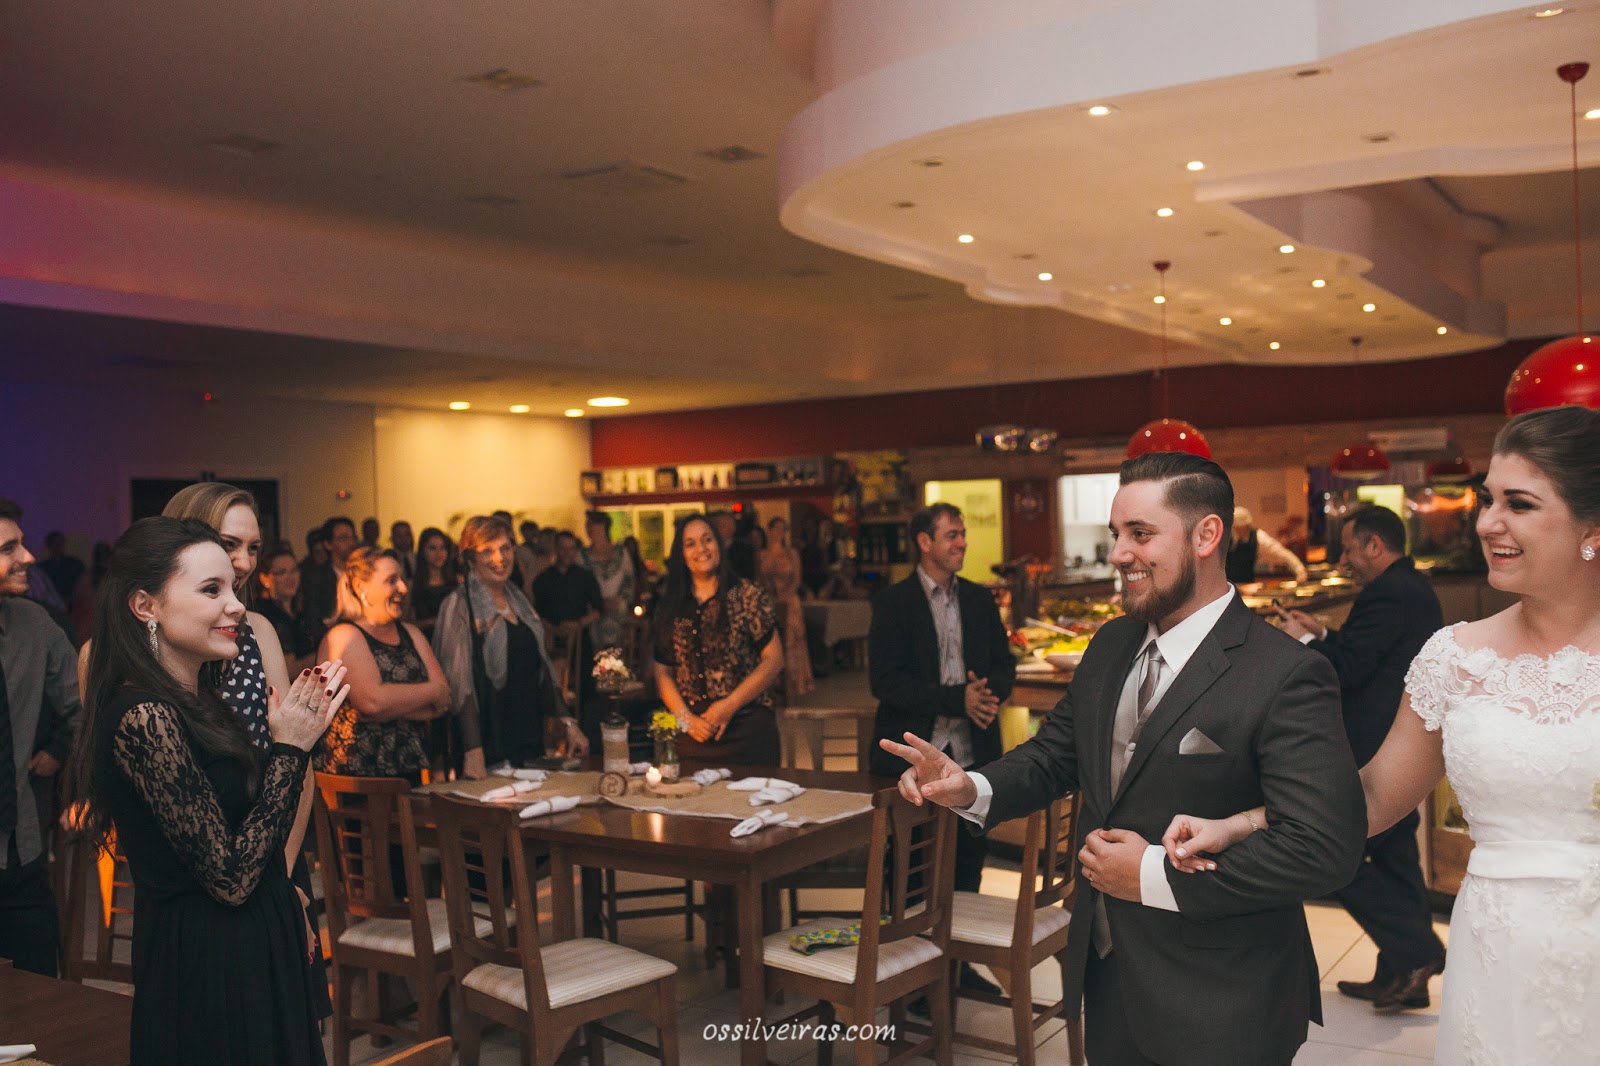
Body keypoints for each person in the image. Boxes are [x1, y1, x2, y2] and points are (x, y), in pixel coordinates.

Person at [882, 452, 1365, 1066]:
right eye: (1116, 534)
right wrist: (970, 786)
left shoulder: (1285, 672)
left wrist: (1152, 874)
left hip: (1223, 994)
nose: (1118, 554)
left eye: (1140, 534)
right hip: (1109, 972)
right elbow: (1057, 754)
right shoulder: (1112, 642)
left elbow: (1322, 848)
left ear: (1206, 536)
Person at [1164, 406, 1600, 1065]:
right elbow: (1368, 799)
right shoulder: (1454, 658)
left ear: (1592, 526)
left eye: (1519, 504)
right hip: (1500, 956)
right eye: (1487, 500)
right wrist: (1242, 823)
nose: (1487, 523)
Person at [70, 515, 347, 1065]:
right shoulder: (144, 716)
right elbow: (230, 878)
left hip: (252, 946)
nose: (236, 605)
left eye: (232, 589)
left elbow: (248, 832)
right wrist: (290, 749)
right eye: (211, 589)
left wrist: (285, 894)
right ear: (145, 606)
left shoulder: (202, 703)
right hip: (211, 964)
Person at [1273, 505, 1447, 1012]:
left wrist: (1302, 642)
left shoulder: (1389, 593)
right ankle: (1402, 972)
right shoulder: (1407, 588)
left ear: (1375, 545)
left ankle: (1418, 952)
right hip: (1398, 739)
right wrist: (1322, 633)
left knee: (1332, 853)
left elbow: (1348, 670)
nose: (1344, 560)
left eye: (1350, 549)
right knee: (1396, 860)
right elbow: (1365, 650)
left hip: (1376, 743)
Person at [868, 502, 1013, 1001]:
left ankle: (957, 966)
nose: (962, 542)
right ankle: (908, 980)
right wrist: (957, 699)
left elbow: (1004, 663)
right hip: (911, 759)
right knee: (909, 866)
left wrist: (990, 694)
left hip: (973, 753)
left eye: (963, 533)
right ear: (924, 542)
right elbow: (886, 682)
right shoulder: (893, 603)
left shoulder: (978, 598)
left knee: (968, 861)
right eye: (952, 534)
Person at [433, 515, 587, 778]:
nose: (500, 558)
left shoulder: (519, 601)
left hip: (528, 736)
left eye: (505, 548)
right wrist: (473, 750)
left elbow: (540, 667)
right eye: (487, 551)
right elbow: (460, 686)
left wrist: (569, 723)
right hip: (487, 744)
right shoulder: (459, 606)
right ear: (470, 558)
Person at [0, 497, 80, 976]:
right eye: (8, 548)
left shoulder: (34, 624)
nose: (27, 558)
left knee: (39, 992)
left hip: (21, 854)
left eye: (22, 544)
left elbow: (83, 709)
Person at [654, 514, 784, 763]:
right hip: (693, 733)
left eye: (707, 540)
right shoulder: (672, 605)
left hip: (747, 726)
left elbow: (774, 659)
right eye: (690, 544)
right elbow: (663, 672)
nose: (701, 549)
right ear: (681, 554)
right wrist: (686, 719)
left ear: (719, 545)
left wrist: (729, 705)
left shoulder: (744, 594)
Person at [317, 548, 450, 781]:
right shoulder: (344, 635)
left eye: (401, 579)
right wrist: (430, 692)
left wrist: (388, 707)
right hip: (357, 779)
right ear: (361, 587)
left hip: (409, 770)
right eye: (391, 580)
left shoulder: (410, 633)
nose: (403, 588)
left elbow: (444, 700)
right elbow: (372, 702)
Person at [761, 516, 814, 698]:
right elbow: (761, 577)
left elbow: (797, 579)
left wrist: (786, 595)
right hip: (770, 601)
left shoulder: (791, 554)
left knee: (792, 640)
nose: (779, 533)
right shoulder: (763, 555)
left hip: (789, 600)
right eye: (776, 529)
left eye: (782, 529)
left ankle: (795, 682)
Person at [256, 547, 316, 676]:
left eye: (294, 570)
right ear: (265, 579)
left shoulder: (302, 610)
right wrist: (324, 656)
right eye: (281, 572)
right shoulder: (265, 614)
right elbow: (287, 670)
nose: (290, 577)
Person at [582, 511, 636, 649]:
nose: (589, 528)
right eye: (587, 525)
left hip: (617, 613)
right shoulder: (583, 556)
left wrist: (620, 600)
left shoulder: (621, 553)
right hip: (593, 614)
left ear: (603, 526)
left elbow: (629, 583)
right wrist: (597, 604)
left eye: (592, 524)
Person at [302, 516, 358, 645]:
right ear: (328, 544)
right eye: (343, 539)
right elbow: (314, 622)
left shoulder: (363, 575)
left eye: (353, 538)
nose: (351, 544)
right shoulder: (317, 579)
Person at [1226, 506, 1308, 584]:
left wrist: (1300, 570)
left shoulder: (1258, 537)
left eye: (1240, 527)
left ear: (1248, 525)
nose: (1237, 531)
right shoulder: (1227, 537)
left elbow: (1281, 553)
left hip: (1248, 584)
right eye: (1235, 527)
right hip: (1227, 585)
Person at [408, 526, 459, 636]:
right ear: (423, 551)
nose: (439, 553)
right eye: (432, 548)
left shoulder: (458, 581)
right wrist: (431, 622)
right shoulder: (413, 584)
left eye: (442, 548)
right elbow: (406, 623)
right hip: (426, 639)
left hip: (454, 638)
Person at [38, 530, 85, 606]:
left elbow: (82, 584)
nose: (59, 546)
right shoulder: (42, 567)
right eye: (56, 544)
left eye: (61, 543)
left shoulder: (75, 564)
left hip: (73, 604)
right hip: (50, 604)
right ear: (49, 545)